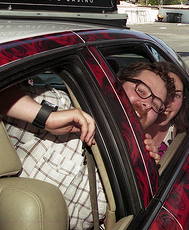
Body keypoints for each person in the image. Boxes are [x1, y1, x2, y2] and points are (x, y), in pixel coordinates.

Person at [0, 61, 174, 229]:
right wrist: (47, 118)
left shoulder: (131, 159)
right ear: (116, 84)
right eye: (141, 90)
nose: (147, 104)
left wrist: (146, 172)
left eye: (156, 105)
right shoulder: (61, 106)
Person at [145, 61, 189, 157]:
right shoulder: (128, 127)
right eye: (162, 94)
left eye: (176, 95)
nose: (167, 103)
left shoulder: (182, 136)